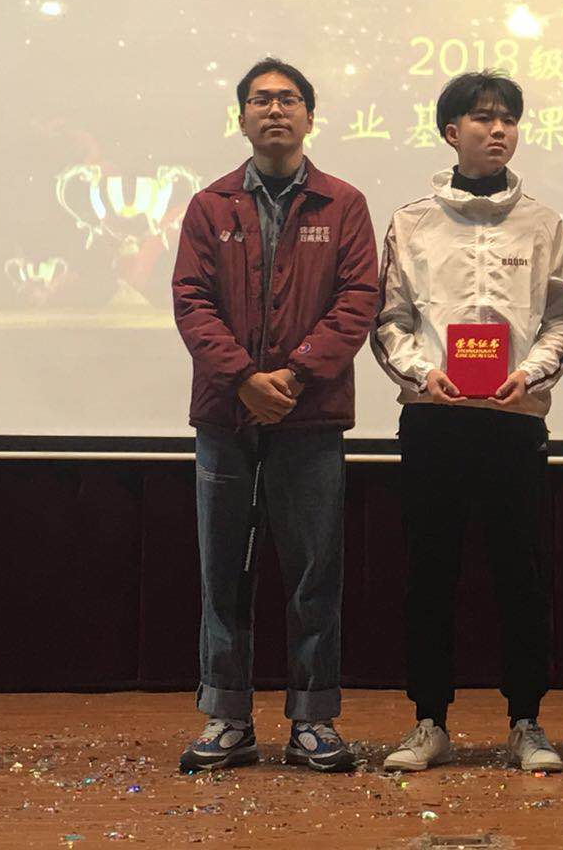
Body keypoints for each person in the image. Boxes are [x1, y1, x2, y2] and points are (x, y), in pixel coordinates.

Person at [172, 58, 379, 773]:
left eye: (289, 99)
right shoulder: (210, 205)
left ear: (309, 116)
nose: (274, 110)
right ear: (242, 118)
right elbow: (191, 301)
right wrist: (243, 379)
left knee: (314, 572)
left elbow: (358, 299)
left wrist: (292, 374)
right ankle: (228, 717)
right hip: (225, 417)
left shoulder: (344, 203)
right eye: (260, 100)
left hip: (310, 414)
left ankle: (313, 721)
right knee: (222, 570)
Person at [371, 70, 563, 773]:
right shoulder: (411, 221)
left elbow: (561, 319)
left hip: (514, 421)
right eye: (484, 118)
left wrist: (532, 373)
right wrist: (422, 372)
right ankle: (429, 720)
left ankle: (527, 722)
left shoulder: (543, 223)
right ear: (451, 131)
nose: (499, 130)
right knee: (430, 574)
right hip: (435, 420)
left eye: (508, 119)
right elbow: (390, 319)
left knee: (522, 575)